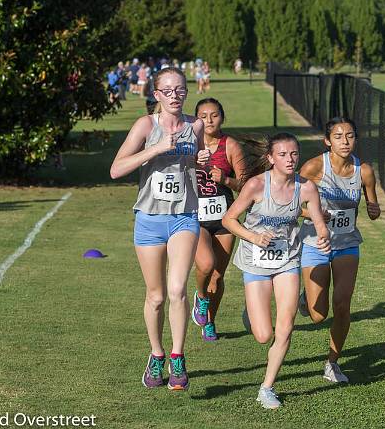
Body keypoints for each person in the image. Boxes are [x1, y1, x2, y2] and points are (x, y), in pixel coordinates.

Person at [110, 67, 211, 391]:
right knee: (155, 297)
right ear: (157, 95)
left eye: (180, 89)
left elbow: (192, 163)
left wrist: (202, 160)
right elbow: (116, 169)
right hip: (150, 219)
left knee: (177, 289)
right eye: (167, 90)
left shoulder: (195, 126)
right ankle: (156, 354)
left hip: (184, 216)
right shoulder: (146, 125)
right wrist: (154, 149)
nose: (174, 96)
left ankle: (178, 357)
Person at [222, 133, 331, 409]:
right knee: (263, 335)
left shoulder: (306, 188)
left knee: (285, 327)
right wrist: (253, 236)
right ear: (271, 158)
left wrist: (323, 236)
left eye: (294, 154)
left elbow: (318, 220)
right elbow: (229, 219)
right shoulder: (257, 186)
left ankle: (267, 387)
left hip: (287, 261)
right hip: (256, 261)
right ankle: (251, 313)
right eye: (282, 154)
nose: (290, 159)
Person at [297, 116, 381, 383]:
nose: (345, 141)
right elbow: (289, 203)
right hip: (315, 243)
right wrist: (315, 214)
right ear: (327, 141)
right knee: (318, 315)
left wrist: (373, 209)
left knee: (343, 304)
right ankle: (306, 299)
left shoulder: (364, 171)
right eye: (338, 136)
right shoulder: (313, 168)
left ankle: (332, 363)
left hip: (347, 243)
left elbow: (372, 205)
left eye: (350, 136)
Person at [191, 98, 248, 341]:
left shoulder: (231, 145)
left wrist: (225, 180)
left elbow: (246, 185)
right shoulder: (190, 144)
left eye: (214, 115)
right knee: (205, 264)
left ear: (222, 117)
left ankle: (210, 321)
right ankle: (201, 298)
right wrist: (192, 163)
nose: (209, 120)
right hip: (196, 217)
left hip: (225, 219)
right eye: (203, 116)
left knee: (218, 275)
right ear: (196, 120)